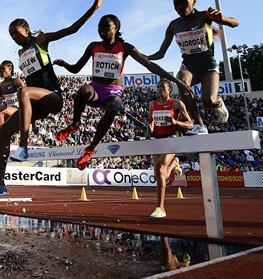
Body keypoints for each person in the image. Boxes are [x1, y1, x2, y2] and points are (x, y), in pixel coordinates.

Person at [0, 0, 107, 199]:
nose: (14, 37)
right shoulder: (20, 53)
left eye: (16, 33)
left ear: (27, 30)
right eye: (11, 35)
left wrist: (94, 7)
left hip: (53, 98)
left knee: (25, 91)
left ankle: (24, 147)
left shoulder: (41, 41)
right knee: (4, 131)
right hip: (36, 104)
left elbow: (72, 29)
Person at [54, 14, 192, 170]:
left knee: (114, 105)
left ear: (116, 28)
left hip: (113, 93)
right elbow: (76, 69)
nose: (102, 29)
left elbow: (150, 65)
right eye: (100, 26)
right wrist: (65, 64)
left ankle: (90, 149)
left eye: (106, 26)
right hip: (96, 90)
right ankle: (75, 124)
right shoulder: (93, 46)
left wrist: (177, 81)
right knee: (84, 89)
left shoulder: (125, 48)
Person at [147, 0, 239, 135]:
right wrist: (144, 57)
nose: (180, 8)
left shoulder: (204, 16)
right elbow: (161, 53)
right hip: (189, 65)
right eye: (176, 5)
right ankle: (199, 125)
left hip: (208, 64)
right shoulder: (173, 25)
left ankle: (219, 102)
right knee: (181, 82)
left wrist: (223, 19)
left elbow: (235, 23)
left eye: (183, 3)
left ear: (194, 1)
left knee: (208, 101)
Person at [146, 79, 193, 218]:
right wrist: (149, 132)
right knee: (159, 175)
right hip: (158, 139)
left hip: (172, 138)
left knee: (160, 167)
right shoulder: (152, 104)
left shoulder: (176, 103)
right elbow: (150, 121)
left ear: (169, 89)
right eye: (158, 87)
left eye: (163, 87)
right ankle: (174, 163)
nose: (160, 89)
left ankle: (160, 207)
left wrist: (175, 122)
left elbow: (190, 124)